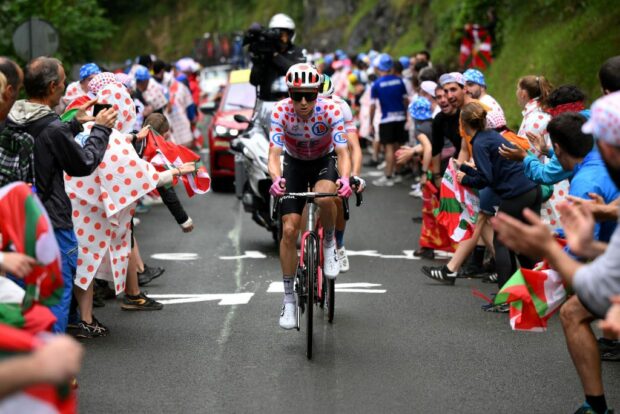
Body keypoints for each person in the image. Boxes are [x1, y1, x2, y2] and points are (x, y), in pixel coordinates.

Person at [492, 91, 620, 414]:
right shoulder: (595, 164)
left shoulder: (585, 181)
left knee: (572, 312)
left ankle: (596, 405)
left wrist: (546, 252)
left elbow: (579, 265)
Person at [5, 57, 116, 333]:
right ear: (53, 86)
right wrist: (101, 128)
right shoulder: (53, 128)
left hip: (15, 224)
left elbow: (43, 144)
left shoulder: (10, 119)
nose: (66, 88)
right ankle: (53, 372)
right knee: (54, 298)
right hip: (51, 224)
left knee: (22, 301)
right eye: (64, 82)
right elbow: (83, 163)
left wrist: (73, 123)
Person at [425, 102, 541, 294]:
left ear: (462, 124)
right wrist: (463, 167)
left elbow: (486, 179)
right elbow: (491, 170)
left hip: (517, 192)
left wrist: (466, 178)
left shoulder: (479, 142)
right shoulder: (490, 136)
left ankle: (506, 296)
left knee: (502, 242)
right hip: (530, 187)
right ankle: (535, 287)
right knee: (519, 242)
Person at [268, 63, 351, 329]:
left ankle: (329, 243)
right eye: (296, 95)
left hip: (323, 160)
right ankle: (289, 298)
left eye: (310, 95)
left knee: (326, 197)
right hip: (294, 163)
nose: (303, 102)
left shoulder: (331, 109)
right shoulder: (280, 111)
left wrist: (346, 179)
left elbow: (343, 153)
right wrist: (275, 179)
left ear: (317, 93)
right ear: (289, 93)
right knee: (289, 230)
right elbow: (273, 155)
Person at [319, 74, 365, 272]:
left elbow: (354, 147)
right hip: (308, 154)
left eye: (326, 100)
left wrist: (354, 175)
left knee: (337, 197)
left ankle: (338, 241)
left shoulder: (340, 106)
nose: (322, 106)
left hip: (335, 154)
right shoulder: (298, 106)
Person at [370, 54, 409, 187]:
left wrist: (370, 123)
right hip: (401, 118)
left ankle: (388, 175)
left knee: (389, 148)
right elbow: (405, 101)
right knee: (399, 146)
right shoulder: (399, 81)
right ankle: (398, 173)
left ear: (380, 68)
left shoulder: (376, 84)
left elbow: (373, 106)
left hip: (386, 118)